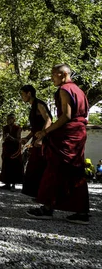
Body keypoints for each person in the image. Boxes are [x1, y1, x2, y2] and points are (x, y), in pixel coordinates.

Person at [28, 64, 90, 224]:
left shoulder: (65, 89)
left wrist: (46, 132)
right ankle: (81, 212)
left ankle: (47, 209)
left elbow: (66, 116)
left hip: (67, 134)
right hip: (78, 133)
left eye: (53, 75)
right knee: (75, 170)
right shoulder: (79, 90)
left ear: (63, 74)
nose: (51, 78)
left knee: (54, 168)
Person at [19, 85, 52, 197]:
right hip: (36, 138)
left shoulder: (39, 104)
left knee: (40, 166)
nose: (22, 97)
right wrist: (27, 138)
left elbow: (49, 119)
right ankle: (37, 194)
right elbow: (35, 127)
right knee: (33, 166)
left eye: (23, 94)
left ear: (29, 93)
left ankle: (44, 195)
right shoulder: (33, 106)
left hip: (44, 140)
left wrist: (41, 137)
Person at [0, 114, 23, 191]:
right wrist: (6, 138)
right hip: (7, 148)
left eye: (11, 119)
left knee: (14, 166)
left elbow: (18, 140)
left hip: (14, 149)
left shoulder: (18, 128)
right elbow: (3, 138)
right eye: (8, 119)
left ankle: (13, 184)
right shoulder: (5, 128)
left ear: (14, 120)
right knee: (6, 165)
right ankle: (7, 183)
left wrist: (11, 137)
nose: (9, 120)